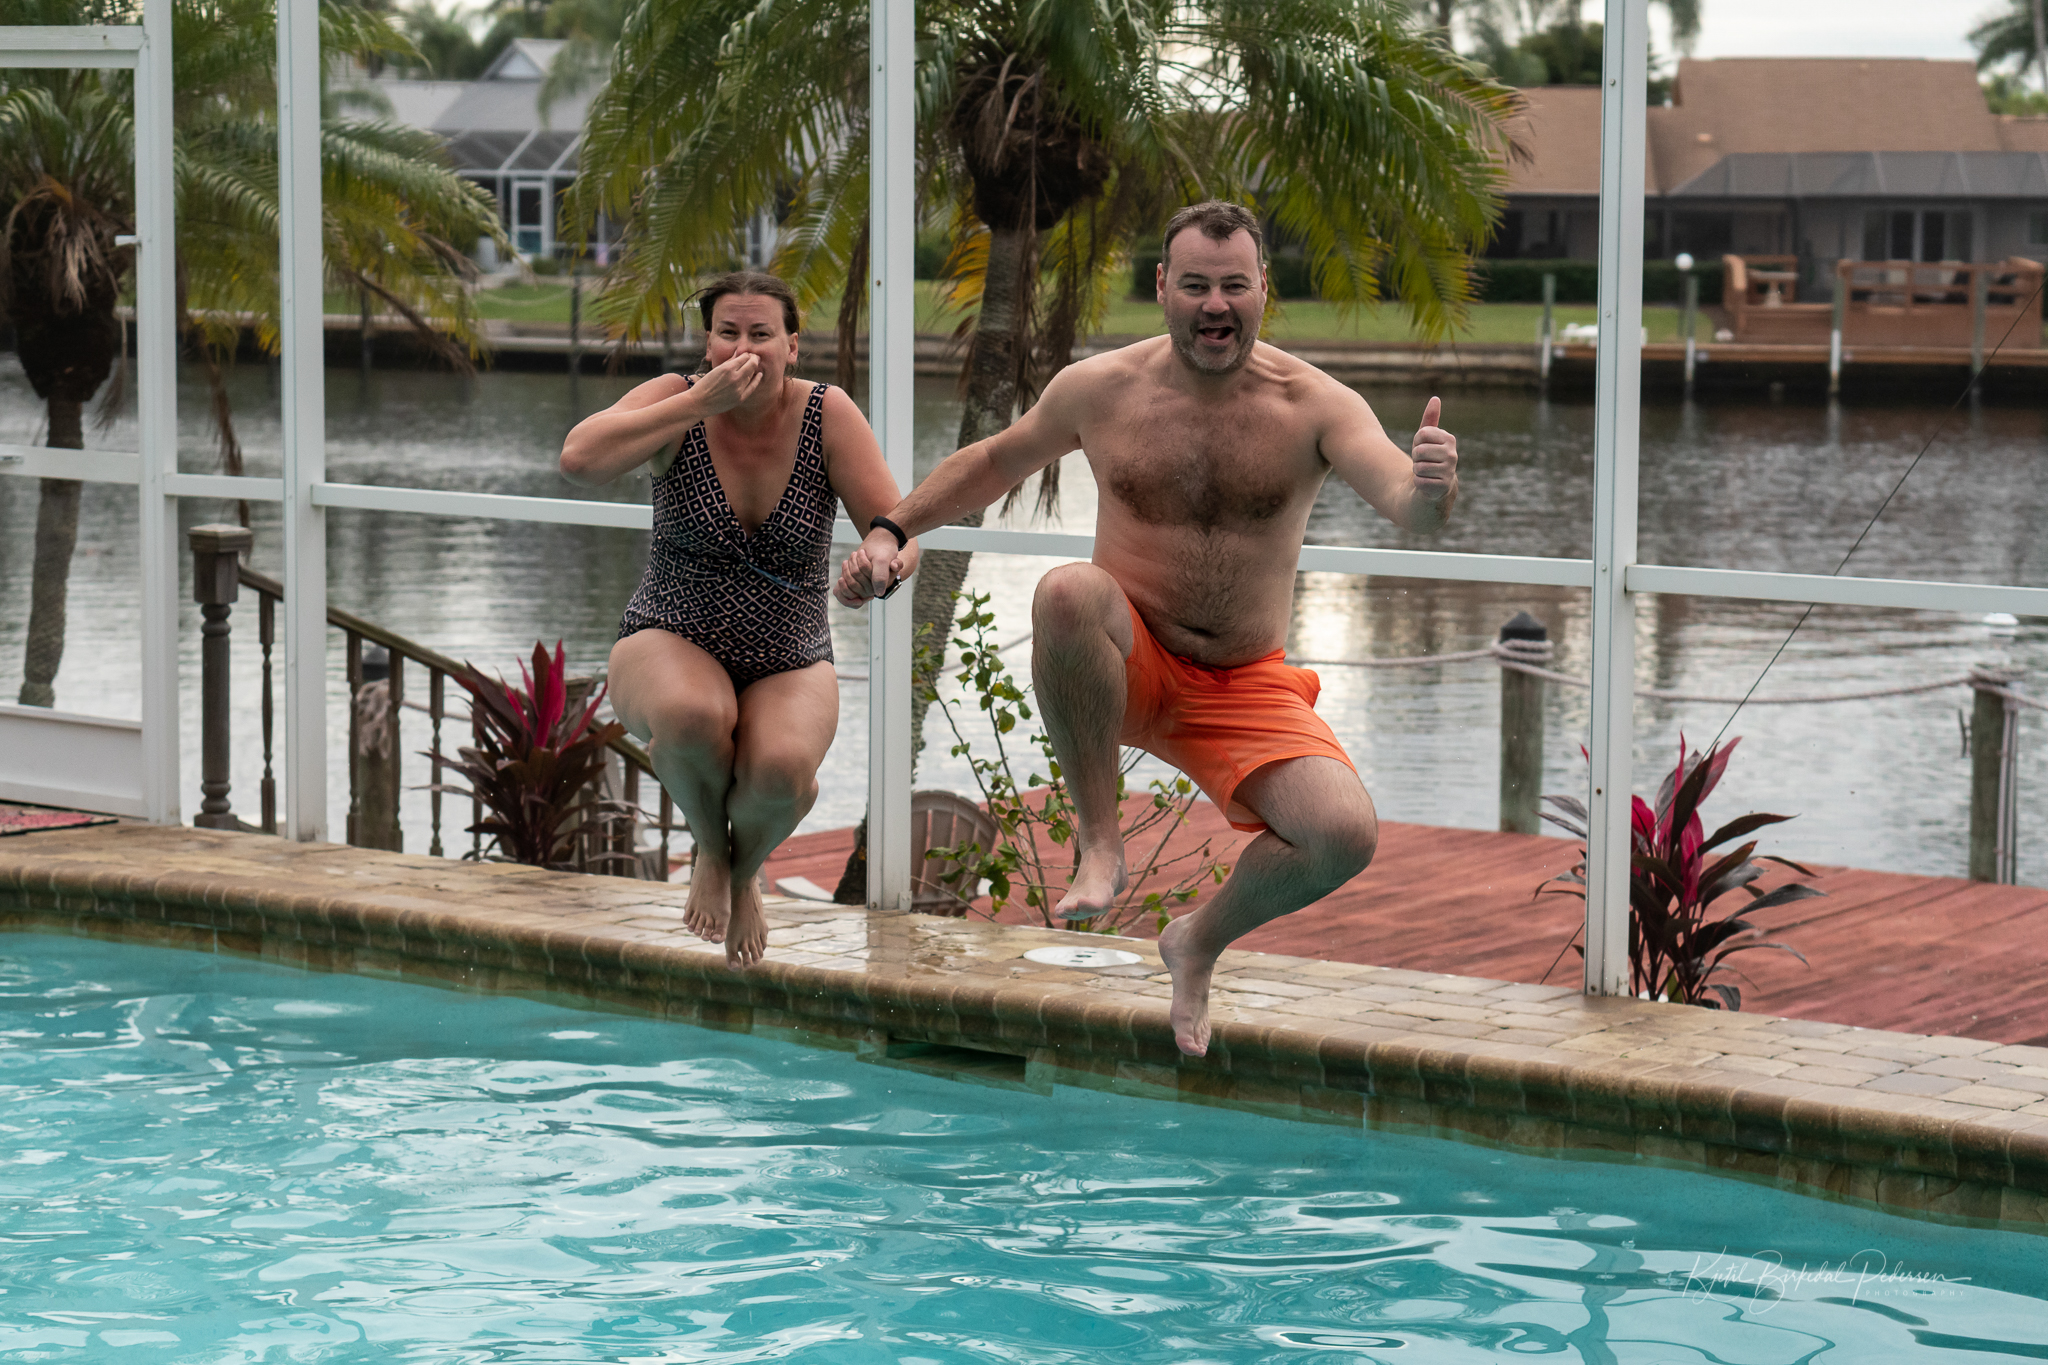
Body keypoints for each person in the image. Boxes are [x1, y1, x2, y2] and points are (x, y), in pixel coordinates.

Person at [835, 201, 1458, 1056]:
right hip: (1129, 661)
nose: (1215, 304)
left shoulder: (1316, 404)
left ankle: (1196, 942)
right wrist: (892, 528)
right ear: (1162, 286)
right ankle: (1101, 839)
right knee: (1066, 591)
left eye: (1234, 284)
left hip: (1242, 682)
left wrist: (1431, 487)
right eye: (1195, 284)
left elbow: (1404, 503)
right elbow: (994, 461)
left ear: (1264, 289)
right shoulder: (1101, 389)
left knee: (1342, 834)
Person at [560, 270, 918, 969]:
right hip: (669, 632)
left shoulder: (826, 413)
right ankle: (711, 848)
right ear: (708, 343)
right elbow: (578, 460)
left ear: (792, 345)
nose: (743, 348)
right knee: (694, 715)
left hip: (791, 651)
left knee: (783, 772)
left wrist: (881, 560)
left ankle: (742, 867)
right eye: (728, 333)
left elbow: (898, 527)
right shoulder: (677, 398)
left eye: (761, 334)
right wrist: (697, 402)